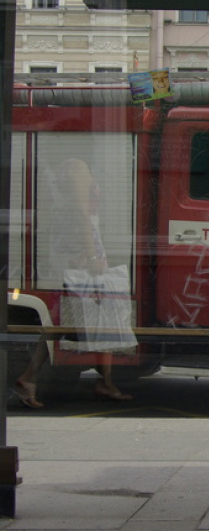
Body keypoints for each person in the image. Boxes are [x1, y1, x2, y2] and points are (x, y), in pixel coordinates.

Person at [12, 158, 133, 408]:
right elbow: (81, 214)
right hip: (82, 254)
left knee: (85, 316)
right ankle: (30, 376)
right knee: (94, 314)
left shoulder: (70, 167)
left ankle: (104, 381)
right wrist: (92, 257)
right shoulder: (77, 168)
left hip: (75, 250)